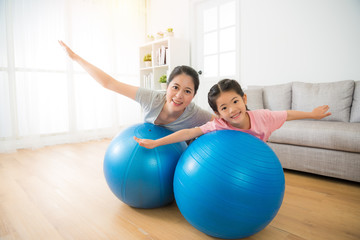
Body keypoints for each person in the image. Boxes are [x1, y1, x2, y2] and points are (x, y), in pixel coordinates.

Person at [58, 41, 213, 132]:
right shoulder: (151, 98)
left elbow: (221, 121)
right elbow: (110, 83)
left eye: (187, 91)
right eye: (175, 87)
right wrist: (75, 58)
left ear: (193, 95)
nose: (179, 95)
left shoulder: (195, 113)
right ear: (167, 87)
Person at [134, 79, 331, 149]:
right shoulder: (219, 125)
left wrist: (312, 114)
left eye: (235, 102)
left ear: (244, 99)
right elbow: (189, 132)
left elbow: (287, 114)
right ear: (217, 113)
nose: (232, 110)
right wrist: (156, 142)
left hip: (254, 155)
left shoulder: (263, 117)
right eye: (224, 108)